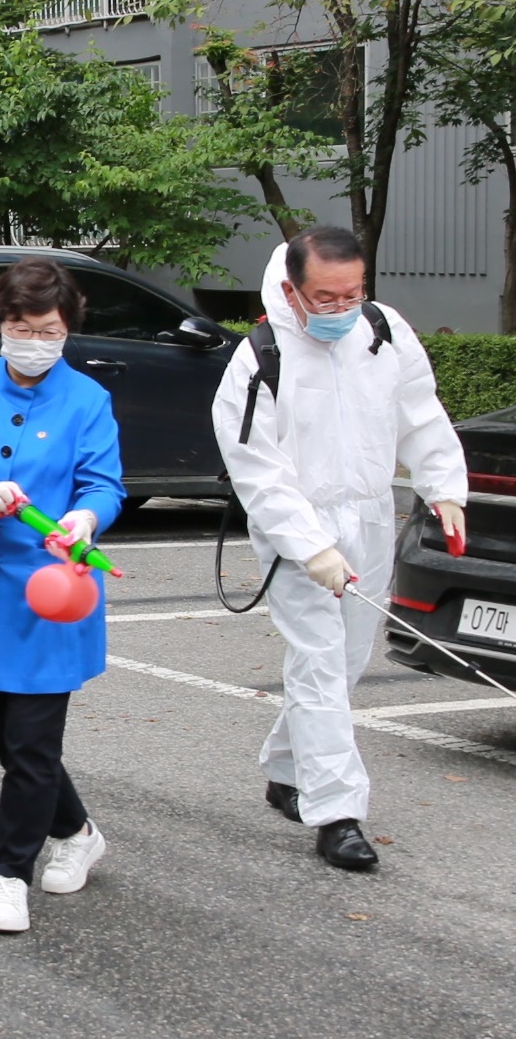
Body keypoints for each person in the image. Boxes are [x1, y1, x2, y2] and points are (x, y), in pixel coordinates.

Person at [212, 228, 466, 871]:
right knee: (321, 661)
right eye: (325, 296)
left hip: (372, 513)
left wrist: (445, 488)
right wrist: (309, 545)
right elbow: (257, 470)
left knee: (348, 660)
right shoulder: (258, 359)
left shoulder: (383, 330)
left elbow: (420, 411)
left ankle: (284, 768)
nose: (341, 307)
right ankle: (338, 814)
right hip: (298, 524)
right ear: (292, 289)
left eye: (353, 292)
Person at [0, 257, 126, 934]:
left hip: (49, 594)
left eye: (48, 330)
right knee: (7, 742)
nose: (33, 341)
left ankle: (8, 875)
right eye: (20, 326)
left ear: (67, 331)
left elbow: (103, 485)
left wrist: (84, 518)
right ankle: (77, 830)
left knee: (32, 746)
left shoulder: (86, 400)